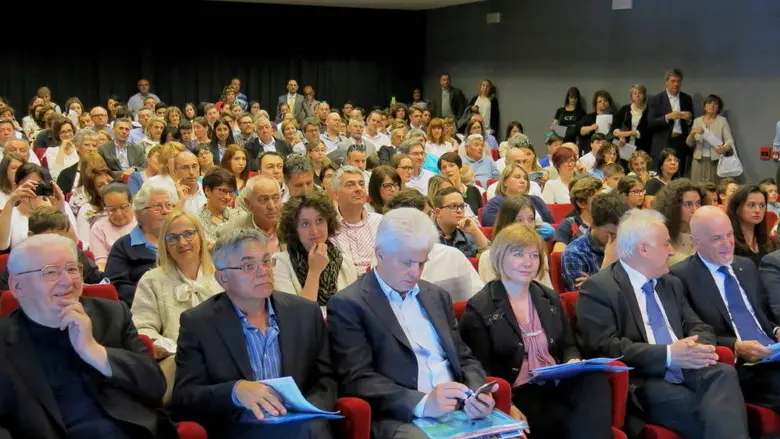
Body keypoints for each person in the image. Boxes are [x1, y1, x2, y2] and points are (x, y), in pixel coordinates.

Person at [327, 208, 500, 439]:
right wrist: (422, 403)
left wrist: (477, 393)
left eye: (421, 263)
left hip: (458, 409)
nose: (415, 273)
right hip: (402, 417)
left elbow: (464, 358)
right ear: (380, 254)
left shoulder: (436, 296)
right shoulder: (349, 304)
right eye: (407, 263)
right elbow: (357, 379)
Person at [576, 208, 749, 439]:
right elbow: (604, 347)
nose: (672, 251)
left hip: (689, 367)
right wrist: (668, 355)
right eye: (666, 244)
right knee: (717, 413)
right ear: (644, 249)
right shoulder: (600, 288)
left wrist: (697, 348)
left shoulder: (670, 283)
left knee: (724, 374)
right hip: (646, 378)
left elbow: (699, 326)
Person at [0, 233, 178, 438]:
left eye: (72, 269)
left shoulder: (112, 315)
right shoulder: (4, 341)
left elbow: (156, 388)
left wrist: (94, 350)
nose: (67, 281)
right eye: (51, 272)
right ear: (17, 286)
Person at [170, 228, 337, 439]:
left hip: (302, 426)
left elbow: (325, 379)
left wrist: (308, 410)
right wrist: (234, 391)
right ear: (222, 278)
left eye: (266, 261)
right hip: (241, 427)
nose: (263, 271)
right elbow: (185, 396)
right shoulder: (199, 323)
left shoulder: (305, 313)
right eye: (248, 266)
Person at [461, 223, 611, 439]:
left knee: (595, 380)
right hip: (519, 390)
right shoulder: (480, 307)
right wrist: (507, 403)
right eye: (518, 254)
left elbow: (568, 345)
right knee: (561, 418)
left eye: (534, 255)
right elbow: (478, 369)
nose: (528, 262)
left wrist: (572, 360)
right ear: (500, 257)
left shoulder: (548, 297)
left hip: (556, 382)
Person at [671, 206, 780, 411]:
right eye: (717, 238)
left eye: (729, 235)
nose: (727, 243)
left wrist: (776, 330)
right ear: (696, 241)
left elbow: (763, 314)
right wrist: (735, 346)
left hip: (772, 351)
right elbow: (693, 331)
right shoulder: (680, 277)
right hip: (741, 365)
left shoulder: (746, 266)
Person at [132, 210, 221, 402]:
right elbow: (141, 328)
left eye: (188, 234)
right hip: (178, 362)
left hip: (222, 359)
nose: (182, 242)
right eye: (172, 238)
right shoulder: (152, 280)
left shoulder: (222, 274)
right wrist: (169, 346)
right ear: (164, 244)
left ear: (200, 236)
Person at [386, 189, 485, 301]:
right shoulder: (450, 255)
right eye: (429, 214)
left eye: (462, 206)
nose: (433, 218)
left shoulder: (383, 258)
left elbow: (478, 296)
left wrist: (476, 233)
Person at [273, 191, 358, 308]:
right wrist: (314, 272)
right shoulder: (280, 264)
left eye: (319, 221)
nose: (315, 230)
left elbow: (354, 310)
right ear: (294, 230)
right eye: (305, 224)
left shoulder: (345, 261)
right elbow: (298, 315)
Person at [105, 182, 176, 305]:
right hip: (145, 307)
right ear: (140, 213)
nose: (165, 211)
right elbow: (117, 286)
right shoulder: (123, 247)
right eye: (158, 207)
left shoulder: (181, 239)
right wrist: (153, 300)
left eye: (168, 205)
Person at [0, 206, 103, 290]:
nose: (56, 245)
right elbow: (6, 298)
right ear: (31, 236)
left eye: (62, 238)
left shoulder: (75, 254)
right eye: (50, 238)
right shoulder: (18, 261)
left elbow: (99, 283)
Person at [478, 196, 554, 288]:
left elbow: (547, 290)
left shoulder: (538, 253)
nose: (526, 225)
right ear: (506, 223)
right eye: (519, 220)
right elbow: (491, 294)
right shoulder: (488, 257)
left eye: (531, 219)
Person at [0, 163, 77, 251]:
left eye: (38, 185)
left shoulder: (62, 206)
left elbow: (74, 243)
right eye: (27, 185)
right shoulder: (10, 213)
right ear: (15, 187)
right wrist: (11, 201)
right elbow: (1, 245)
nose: (33, 189)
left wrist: (60, 210)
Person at [561, 193, 628, 291]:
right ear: (593, 224)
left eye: (622, 232)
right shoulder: (574, 254)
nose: (618, 239)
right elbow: (584, 297)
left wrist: (593, 283)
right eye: (611, 234)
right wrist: (607, 264)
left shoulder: (628, 243)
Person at [330, 166, 382, 273]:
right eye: (350, 185)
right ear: (335, 194)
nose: (358, 189)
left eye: (361, 184)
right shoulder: (327, 227)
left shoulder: (380, 222)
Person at [647, 68, 695, 170]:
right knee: (661, 172)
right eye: (673, 81)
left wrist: (689, 119)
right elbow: (650, 122)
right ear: (666, 82)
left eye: (678, 81)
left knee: (679, 172)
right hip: (662, 143)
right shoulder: (656, 99)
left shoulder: (687, 99)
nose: (676, 84)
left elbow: (691, 122)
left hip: (680, 142)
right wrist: (667, 117)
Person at [221, 175, 281, 254]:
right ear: (248, 204)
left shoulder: (291, 227)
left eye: (276, 198)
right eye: (264, 199)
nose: (272, 206)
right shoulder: (231, 233)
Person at [482, 163, 553, 227]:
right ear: (504, 182)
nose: (523, 181)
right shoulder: (495, 203)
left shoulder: (536, 200)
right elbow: (495, 227)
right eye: (517, 177)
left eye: (525, 178)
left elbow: (551, 225)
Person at [89, 182, 137, 271]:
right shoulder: (98, 228)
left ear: (131, 203)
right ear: (105, 208)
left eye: (123, 207)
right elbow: (101, 263)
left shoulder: (142, 221)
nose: (119, 213)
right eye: (112, 209)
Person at [654, 179, 702, 265]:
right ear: (673, 207)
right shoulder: (660, 235)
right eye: (688, 204)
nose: (695, 210)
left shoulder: (705, 233)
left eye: (698, 203)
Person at [686, 94, 734, 183]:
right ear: (704, 106)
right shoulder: (697, 121)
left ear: (719, 107)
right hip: (698, 161)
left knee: (714, 187)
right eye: (709, 103)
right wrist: (692, 133)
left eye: (715, 103)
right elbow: (689, 143)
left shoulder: (722, 121)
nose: (712, 105)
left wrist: (724, 148)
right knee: (697, 187)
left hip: (715, 161)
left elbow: (729, 141)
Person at [433, 187, 490, 258]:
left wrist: (476, 232)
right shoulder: (427, 238)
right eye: (453, 206)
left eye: (462, 206)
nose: (459, 210)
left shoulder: (467, 232)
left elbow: (491, 259)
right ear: (438, 212)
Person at [728, 184, 775, 266]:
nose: (758, 210)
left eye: (762, 205)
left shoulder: (768, 242)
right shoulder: (729, 243)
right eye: (751, 205)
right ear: (737, 209)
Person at [198, 167, 237, 244]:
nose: (228, 197)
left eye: (231, 192)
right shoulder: (197, 221)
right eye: (223, 191)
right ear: (207, 190)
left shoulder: (238, 215)